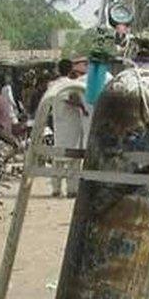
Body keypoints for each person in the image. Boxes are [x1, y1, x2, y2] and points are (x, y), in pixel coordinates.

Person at [49, 58, 88, 198]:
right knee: (73, 158)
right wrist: (82, 107)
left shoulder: (52, 85)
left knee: (58, 157)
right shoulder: (71, 85)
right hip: (71, 124)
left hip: (58, 123)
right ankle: (72, 189)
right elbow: (70, 99)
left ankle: (56, 188)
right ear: (71, 69)